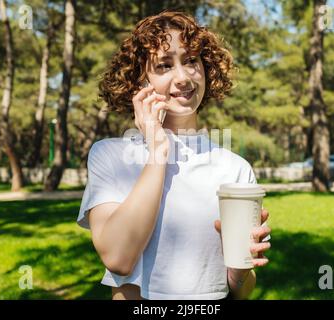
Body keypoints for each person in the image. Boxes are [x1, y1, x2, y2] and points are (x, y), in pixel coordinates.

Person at [77, 10, 271, 300]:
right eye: (164, 66)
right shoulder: (110, 155)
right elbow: (118, 258)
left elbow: (239, 292)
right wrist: (157, 150)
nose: (183, 78)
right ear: (139, 81)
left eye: (191, 60)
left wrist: (238, 272)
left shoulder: (235, 169)